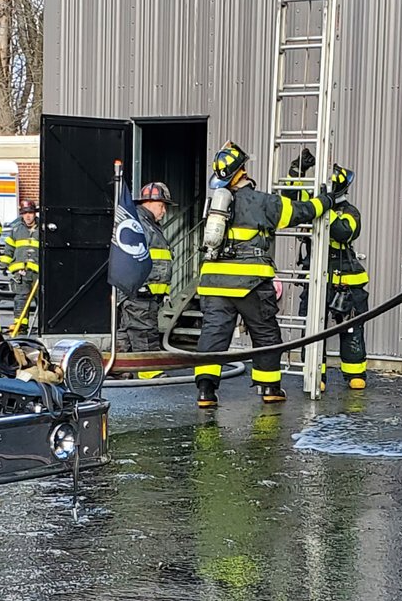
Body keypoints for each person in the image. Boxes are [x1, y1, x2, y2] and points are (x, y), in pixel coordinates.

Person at [194, 141, 333, 408]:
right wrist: (326, 201)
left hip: (213, 283)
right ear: (243, 172)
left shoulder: (214, 206)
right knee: (266, 334)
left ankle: (205, 392)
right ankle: (270, 388)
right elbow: (301, 212)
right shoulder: (262, 202)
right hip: (251, 283)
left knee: (213, 336)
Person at [118, 181, 175, 376]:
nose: (164, 211)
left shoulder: (148, 224)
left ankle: (119, 370)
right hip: (141, 292)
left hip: (144, 292)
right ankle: (150, 371)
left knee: (127, 332)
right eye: (161, 205)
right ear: (148, 202)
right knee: (144, 330)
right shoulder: (139, 224)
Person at [323, 164, 369, 389]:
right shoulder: (314, 205)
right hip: (319, 277)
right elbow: (293, 202)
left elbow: (344, 232)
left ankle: (355, 373)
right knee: (313, 330)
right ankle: (316, 374)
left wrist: (325, 207)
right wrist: (297, 173)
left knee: (352, 326)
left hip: (347, 279)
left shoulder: (350, 212)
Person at [0, 199, 40, 334]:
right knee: (21, 299)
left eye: (30, 213)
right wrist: (4, 266)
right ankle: (21, 326)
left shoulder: (42, 229)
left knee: (42, 300)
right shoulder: (16, 230)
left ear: (35, 213)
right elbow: (9, 250)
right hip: (21, 273)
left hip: (38, 273)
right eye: (25, 213)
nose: (28, 216)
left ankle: (43, 328)